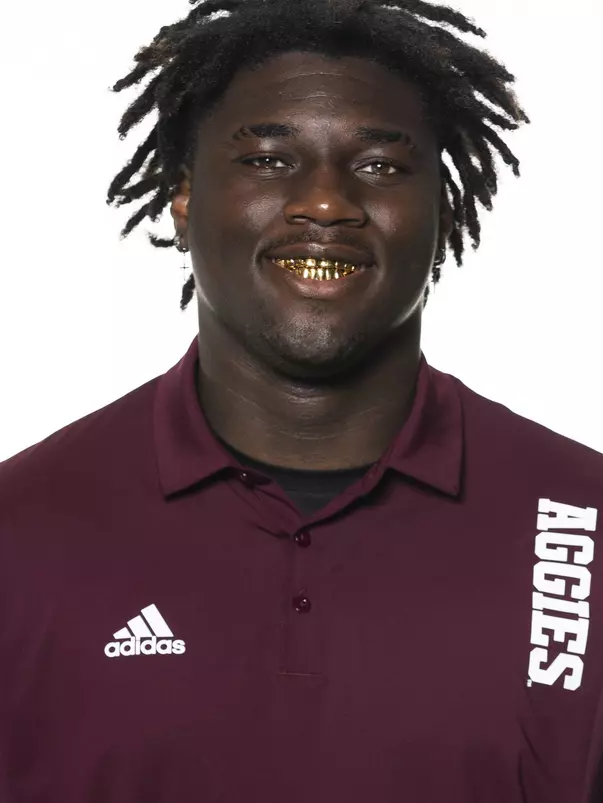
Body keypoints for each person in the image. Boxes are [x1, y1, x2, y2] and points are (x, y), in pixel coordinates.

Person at [0, 0, 601, 801]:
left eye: (380, 166)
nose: (324, 203)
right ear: (184, 199)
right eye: (267, 160)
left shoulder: (583, 523)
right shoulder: (20, 528)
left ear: (444, 209)